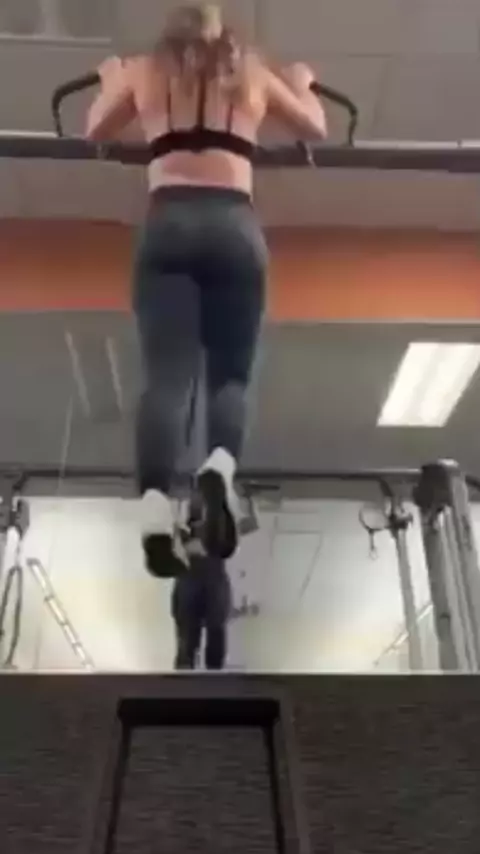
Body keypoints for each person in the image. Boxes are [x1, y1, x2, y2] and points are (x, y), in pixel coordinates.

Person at [85, 3, 327, 578]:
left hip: (168, 221)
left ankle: (152, 506)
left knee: (167, 380)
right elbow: (314, 126)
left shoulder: (144, 71)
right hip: (233, 225)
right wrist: (301, 84)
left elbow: (95, 128)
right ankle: (218, 466)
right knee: (230, 376)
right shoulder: (253, 72)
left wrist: (110, 80)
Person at [171, 552, 232, 669]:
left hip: (211, 575)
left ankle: (212, 677)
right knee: (187, 645)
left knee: (214, 641)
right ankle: (187, 676)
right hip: (190, 575)